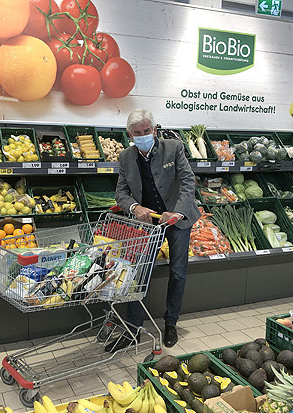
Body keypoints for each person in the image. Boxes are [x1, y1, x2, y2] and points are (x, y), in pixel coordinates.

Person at [107, 109, 200, 350]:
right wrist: (135, 207)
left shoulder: (174, 148)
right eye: (137, 133)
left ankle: (171, 323)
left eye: (147, 131)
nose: (143, 135)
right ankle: (133, 328)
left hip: (177, 220)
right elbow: (121, 193)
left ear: (155, 130)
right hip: (148, 224)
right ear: (130, 134)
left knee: (178, 272)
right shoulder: (126, 157)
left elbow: (189, 182)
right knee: (139, 272)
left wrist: (177, 212)